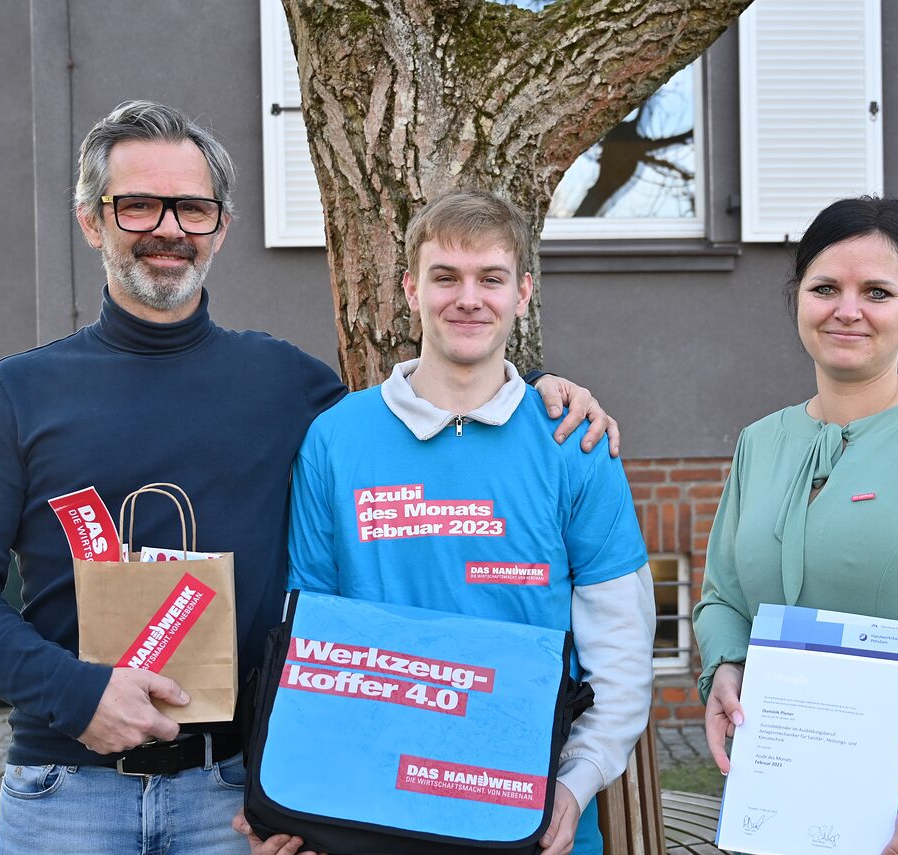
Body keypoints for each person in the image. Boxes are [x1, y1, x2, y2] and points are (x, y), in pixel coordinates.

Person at [0, 101, 616, 855]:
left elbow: (420, 409)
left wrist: (534, 390)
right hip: (65, 791)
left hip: (237, 799)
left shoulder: (289, 386)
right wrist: (75, 694)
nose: (169, 228)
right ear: (93, 221)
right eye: (139, 205)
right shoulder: (18, 394)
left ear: (220, 226)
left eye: (192, 207)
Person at [247, 189, 654, 855]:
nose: (469, 298)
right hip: (371, 815)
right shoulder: (335, 438)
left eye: (491, 278)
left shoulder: (574, 441)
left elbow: (622, 653)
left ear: (523, 292)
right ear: (411, 288)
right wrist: (303, 796)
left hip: (528, 815)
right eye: (445, 277)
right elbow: (310, 639)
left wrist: (575, 785)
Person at [692, 196, 898, 855]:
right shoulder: (759, 443)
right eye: (826, 288)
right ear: (798, 299)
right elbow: (723, 595)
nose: (847, 309)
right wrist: (727, 663)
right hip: (782, 810)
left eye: (876, 290)